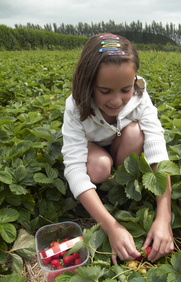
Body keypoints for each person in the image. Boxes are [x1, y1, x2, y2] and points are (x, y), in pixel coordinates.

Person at [62, 33, 174, 265]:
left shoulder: (140, 96)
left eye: (125, 89)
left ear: (134, 80)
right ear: (88, 83)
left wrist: (164, 217)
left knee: (135, 133)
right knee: (99, 167)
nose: (116, 101)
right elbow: (74, 168)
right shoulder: (75, 106)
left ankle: (121, 178)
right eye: (105, 91)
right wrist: (111, 226)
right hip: (95, 153)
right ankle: (105, 185)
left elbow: (157, 149)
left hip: (122, 145)